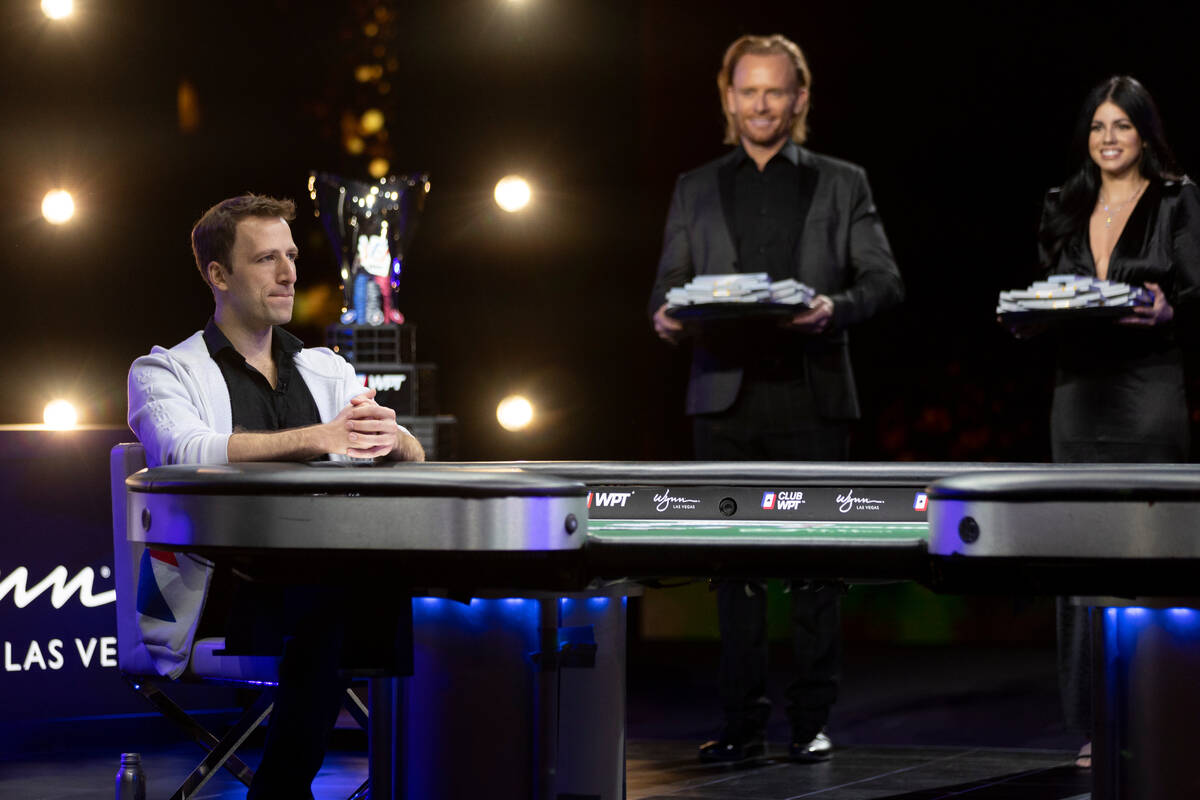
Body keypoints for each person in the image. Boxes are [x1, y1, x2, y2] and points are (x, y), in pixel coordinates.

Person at [647, 34, 904, 763]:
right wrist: (665, 319)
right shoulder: (695, 186)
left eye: (775, 91)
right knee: (733, 568)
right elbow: (666, 288)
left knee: (817, 563)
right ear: (729, 98)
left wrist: (835, 308)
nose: (761, 104)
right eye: (748, 91)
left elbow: (884, 281)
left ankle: (812, 719)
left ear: (800, 98)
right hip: (722, 398)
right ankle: (741, 722)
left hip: (814, 392)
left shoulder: (842, 181)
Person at [128, 194, 425, 799]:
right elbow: (184, 453)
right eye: (267, 259)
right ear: (218, 275)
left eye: (290, 256)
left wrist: (394, 440)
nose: (290, 273)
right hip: (219, 588)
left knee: (425, 595)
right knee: (338, 603)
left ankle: (425, 777)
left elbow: (408, 456)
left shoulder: (327, 369)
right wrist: (320, 438)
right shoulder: (162, 371)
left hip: (322, 582)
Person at [1034, 75, 1200, 770]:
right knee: (1080, 559)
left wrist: (1169, 311)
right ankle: (1097, 722)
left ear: (1143, 133)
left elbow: (1195, 290)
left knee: (1152, 554)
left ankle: (1164, 714)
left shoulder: (1176, 198)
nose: (1108, 139)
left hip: (1147, 388)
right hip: (1078, 393)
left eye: (1121, 127)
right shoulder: (1061, 204)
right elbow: (1047, 287)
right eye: (1098, 126)